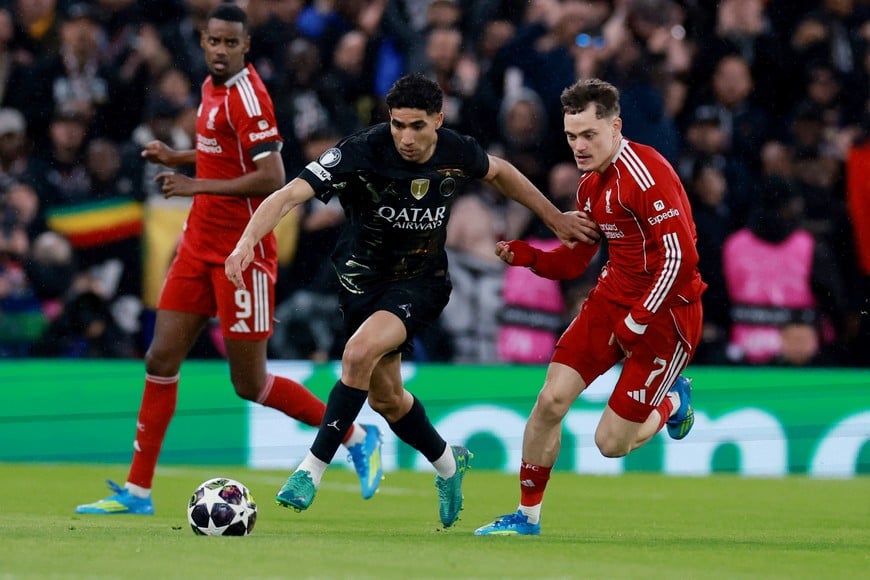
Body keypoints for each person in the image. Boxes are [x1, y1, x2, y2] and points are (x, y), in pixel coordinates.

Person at [225, 73, 598, 528]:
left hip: (420, 282)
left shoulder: (455, 150)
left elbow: (500, 172)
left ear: (438, 120)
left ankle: (311, 470)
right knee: (388, 400)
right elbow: (287, 196)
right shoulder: (360, 150)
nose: (406, 136)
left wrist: (555, 219)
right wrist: (246, 242)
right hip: (361, 284)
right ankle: (447, 463)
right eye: (398, 124)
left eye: (417, 125)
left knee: (357, 353)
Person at [74, 4, 381, 516]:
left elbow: (271, 176)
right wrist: (179, 158)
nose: (219, 51)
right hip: (198, 245)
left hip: (243, 253)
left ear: (245, 45)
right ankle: (138, 492)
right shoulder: (210, 87)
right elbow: (221, 150)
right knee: (160, 360)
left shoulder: (249, 97)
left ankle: (355, 433)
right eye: (212, 42)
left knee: (249, 383)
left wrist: (196, 184)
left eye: (229, 43)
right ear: (203, 41)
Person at [474, 78, 706, 536]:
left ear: (615, 126)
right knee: (549, 401)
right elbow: (580, 257)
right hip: (610, 302)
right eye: (570, 136)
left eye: (588, 135)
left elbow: (681, 259)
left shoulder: (647, 177)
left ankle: (674, 401)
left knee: (611, 444)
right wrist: (531, 257)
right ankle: (526, 517)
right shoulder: (589, 186)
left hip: (667, 316)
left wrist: (637, 321)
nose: (578, 147)